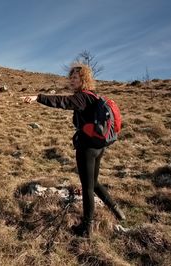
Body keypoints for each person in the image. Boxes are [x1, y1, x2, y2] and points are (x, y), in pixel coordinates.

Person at [22, 63, 125, 238]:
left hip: (87, 147)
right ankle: (116, 210)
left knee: (87, 187)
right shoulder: (93, 96)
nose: (72, 81)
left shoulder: (83, 97)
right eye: (71, 78)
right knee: (94, 182)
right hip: (99, 146)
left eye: (75, 78)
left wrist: (38, 98)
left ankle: (87, 228)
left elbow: (63, 102)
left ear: (84, 79)